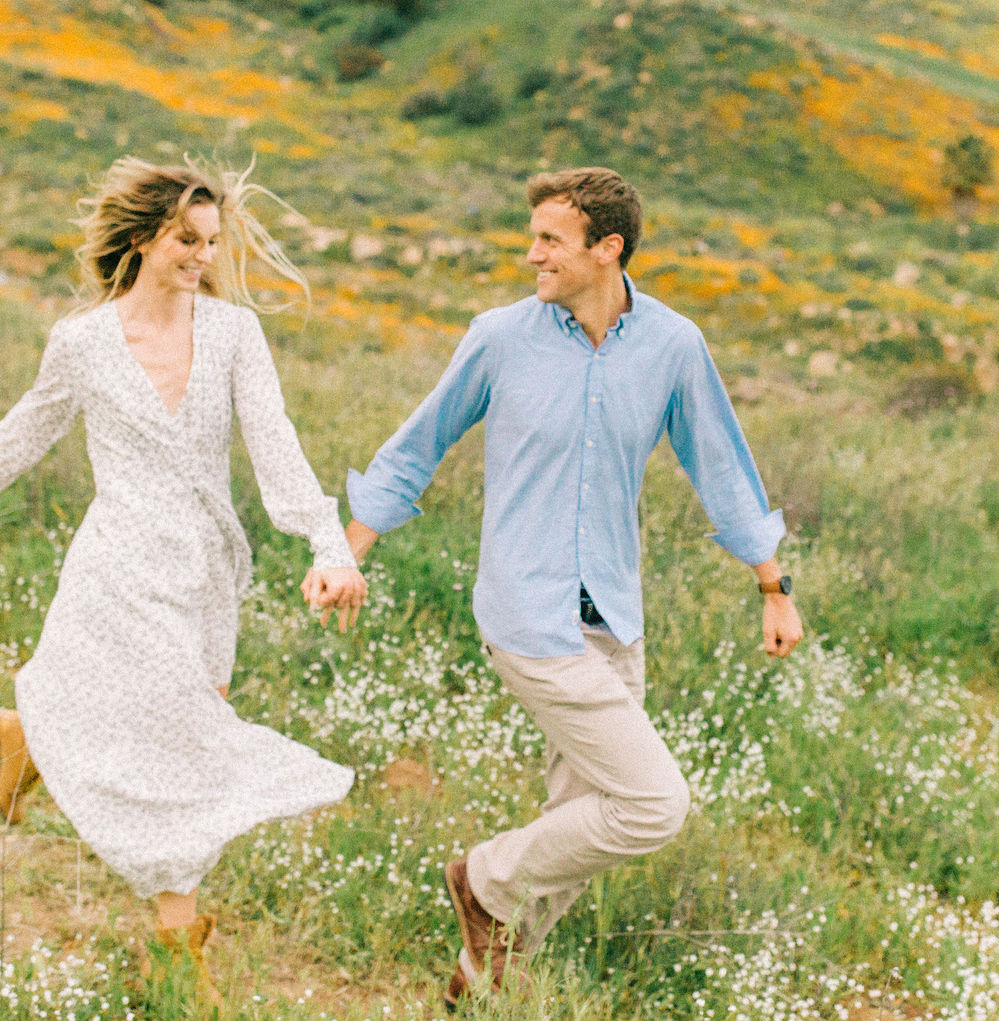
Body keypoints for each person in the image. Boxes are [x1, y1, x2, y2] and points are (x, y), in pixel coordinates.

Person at [343, 167, 804, 1006]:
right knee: (653, 803)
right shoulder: (500, 337)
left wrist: (773, 585)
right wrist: (349, 553)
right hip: (526, 613)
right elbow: (418, 444)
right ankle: (483, 880)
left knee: (582, 819)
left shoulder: (672, 346)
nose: (532, 255)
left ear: (607, 248)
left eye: (550, 240)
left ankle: (480, 989)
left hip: (613, 616)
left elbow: (722, 467)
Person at [0, 157, 367, 1005]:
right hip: (117, 564)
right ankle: (177, 961)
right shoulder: (82, 342)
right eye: (186, 240)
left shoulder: (233, 333)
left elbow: (276, 444)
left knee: (184, 725)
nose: (203, 256)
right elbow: (28, 428)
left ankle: (23, 737)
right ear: (144, 237)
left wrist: (327, 545)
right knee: (182, 748)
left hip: (206, 572)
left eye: (211, 243)